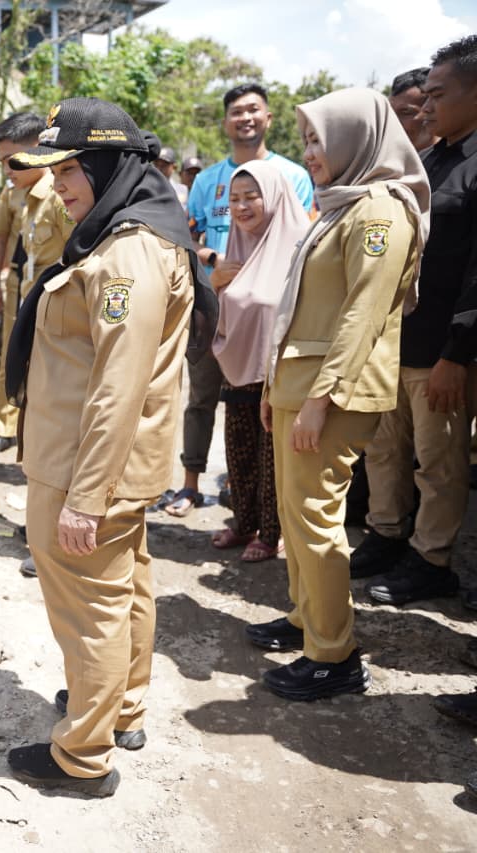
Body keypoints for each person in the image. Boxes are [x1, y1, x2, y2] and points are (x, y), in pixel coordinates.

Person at [1, 97, 202, 797]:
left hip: (86, 462)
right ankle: (118, 707)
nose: (59, 184)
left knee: (89, 608)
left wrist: (85, 498)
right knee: (124, 587)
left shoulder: (127, 254)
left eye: (71, 170)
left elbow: (117, 384)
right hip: (108, 457)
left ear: (110, 164)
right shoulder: (126, 233)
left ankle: (82, 755)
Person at [247, 87, 428, 702]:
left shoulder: (380, 210)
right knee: (296, 519)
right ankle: (306, 618)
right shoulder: (344, 206)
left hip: (335, 392)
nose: (311, 153)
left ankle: (334, 656)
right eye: (307, 140)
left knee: (317, 523)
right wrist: (277, 388)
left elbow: (363, 314)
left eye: (320, 139)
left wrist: (322, 399)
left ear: (356, 136)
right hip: (304, 384)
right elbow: (304, 311)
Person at [356, 43, 477, 607]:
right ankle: (386, 535)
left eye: (435, 96)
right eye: (421, 97)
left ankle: (432, 559)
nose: (424, 109)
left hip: (442, 353)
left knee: (438, 463)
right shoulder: (428, 163)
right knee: (384, 450)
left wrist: (458, 353)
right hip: (394, 343)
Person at [166, 84, 315, 517]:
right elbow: (185, 239)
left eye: (254, 110)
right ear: (225, 121)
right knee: (203, 398)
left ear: (268, 118)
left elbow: (297, 241)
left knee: (263, 409)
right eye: (236, 111)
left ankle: (259, 507)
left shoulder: (294, 176)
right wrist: (213, 261)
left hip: (270, 311)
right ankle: (191, 484)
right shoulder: (209, 179)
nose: (245, 117)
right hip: (216, 305)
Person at [209, 160, 310, 562]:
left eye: (252, 196)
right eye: (234, 199)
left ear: (275, 197)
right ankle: (243, 522)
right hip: (237, 371)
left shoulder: (301, 245)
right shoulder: (235, 247)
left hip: (280, 374)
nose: (242, 206)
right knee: (239, 452)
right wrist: (215, 283)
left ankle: (271, 534)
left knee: (274, 457)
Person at [0, 111, 75, 458]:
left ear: (38, 148)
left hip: (55, 299)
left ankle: (44, 438)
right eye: (3, 163)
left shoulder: (60, 193)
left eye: (11, 161)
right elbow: (0, 237)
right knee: (13, 357)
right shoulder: (17, 191)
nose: (8, 170)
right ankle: (10, 428)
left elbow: (79, 255)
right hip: (23, 286)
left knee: (49, 370)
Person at [389, 67, 441, 153]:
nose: (393, 121)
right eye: (390, 113)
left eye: (406, 112)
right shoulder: (383, 161)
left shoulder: (461, 163)